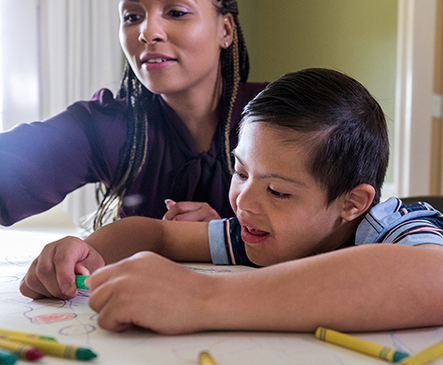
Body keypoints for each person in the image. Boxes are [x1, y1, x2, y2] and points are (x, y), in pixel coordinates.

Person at [20, 68, 443, 335]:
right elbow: (154, 233)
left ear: (353, 203)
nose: (244, 202)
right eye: (239, 172)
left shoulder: (389, 226)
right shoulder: (259, 232)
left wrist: (202, 297)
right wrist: (88, 251)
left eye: (278, 191)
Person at [0, 0, 267, 229]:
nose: (147, 33)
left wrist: (226, 235)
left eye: (176, 12)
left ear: (225, 29)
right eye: (132, 17)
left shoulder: (284, 118)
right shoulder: (108, 126)